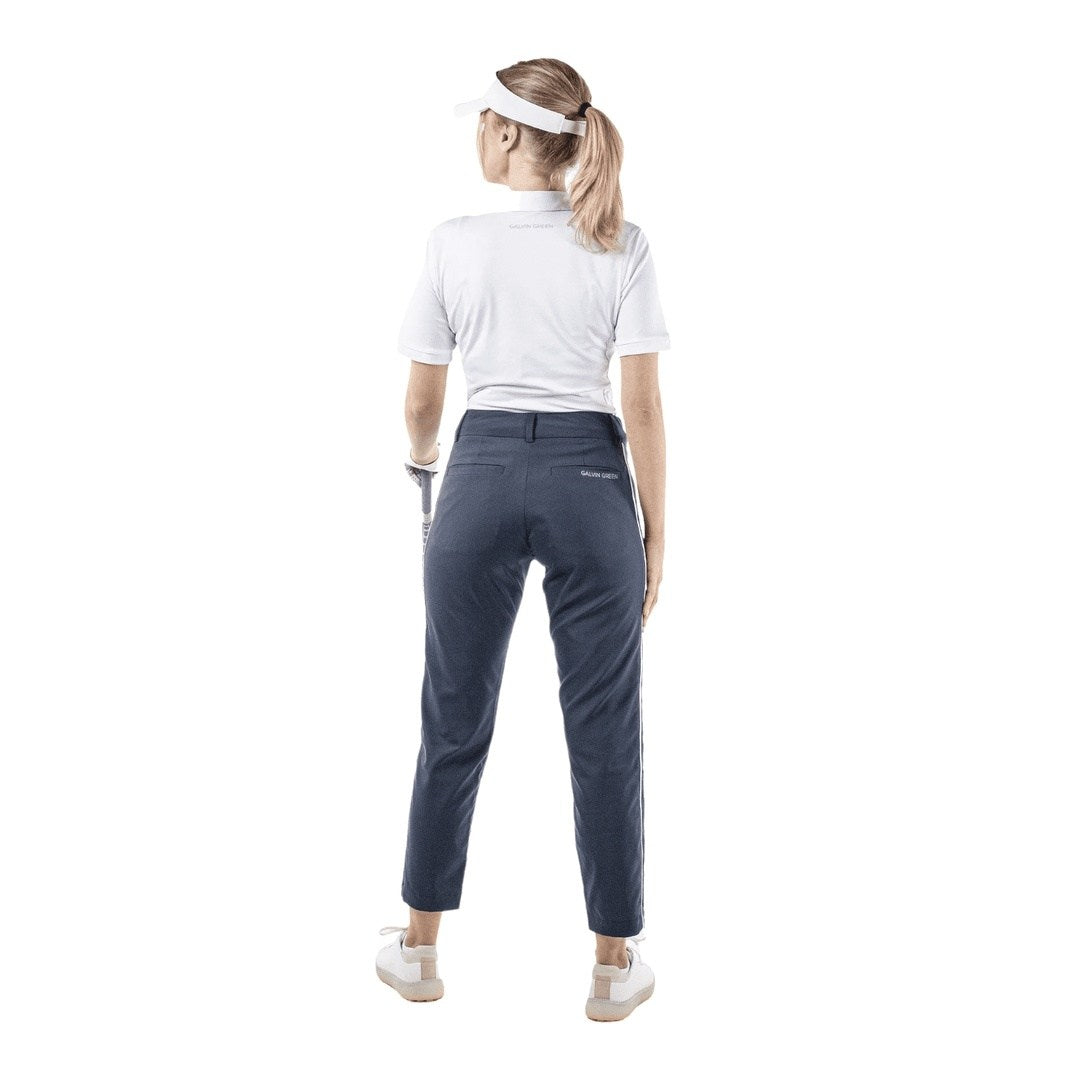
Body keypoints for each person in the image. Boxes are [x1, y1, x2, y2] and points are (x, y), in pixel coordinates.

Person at [376, 59, 670, 1022]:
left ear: (507, 133)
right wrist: (654, 533)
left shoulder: (453, 244)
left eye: (483, 123)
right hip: (592, 482)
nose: (477, 136)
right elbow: (641, 406)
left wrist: (426, 468)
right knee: (605, 729)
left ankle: (419, 950)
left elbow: (423, 404)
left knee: (452, 716)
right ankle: (613, 966)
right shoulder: (622, 243)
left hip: (483, 472)